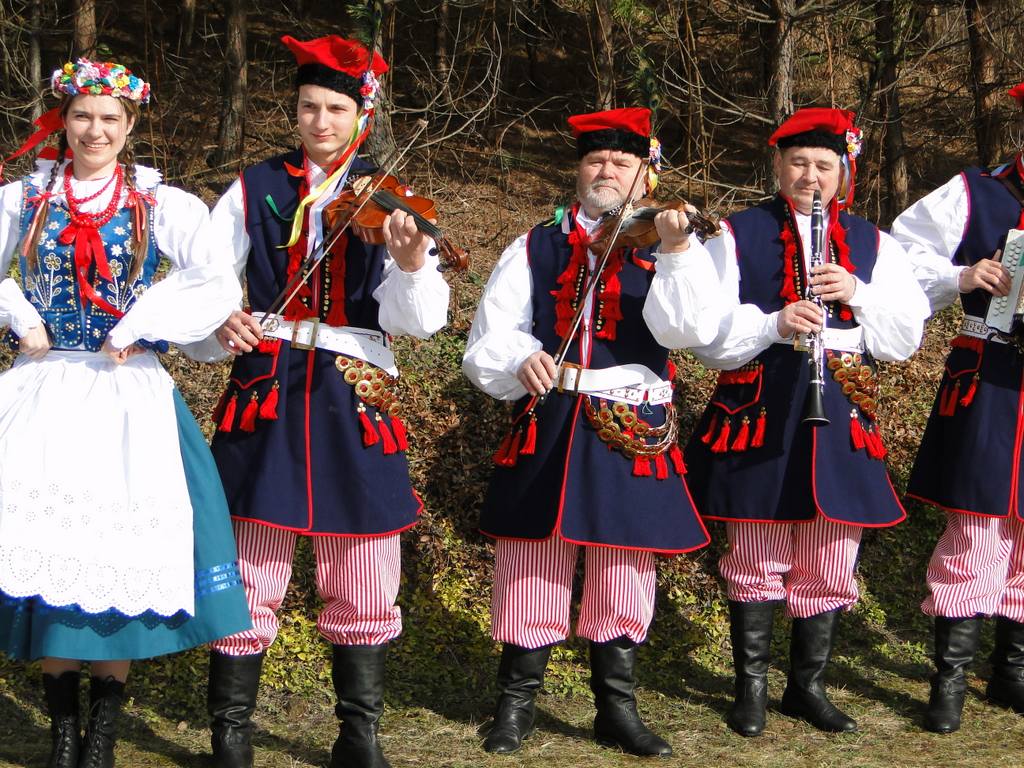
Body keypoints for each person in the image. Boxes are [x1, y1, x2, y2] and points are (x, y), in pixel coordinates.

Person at [201, 35, 450, 768]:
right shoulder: (254, 186)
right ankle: (231, 736)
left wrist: (411, 264)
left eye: (335, 109)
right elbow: (207, 281)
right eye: (308, 106)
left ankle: (358, 737)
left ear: (360, 116)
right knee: (250, 563)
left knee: (365, 563)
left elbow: (421, 322)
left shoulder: (391, 197)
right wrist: (221, 318)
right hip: (268, 382)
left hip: (354, 390)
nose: (320, 121)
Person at [0, 58, 251, 768]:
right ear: (62, 121)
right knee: (52, 547)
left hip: (125, 393)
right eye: (82, 116)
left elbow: (214, 280)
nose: (95, 131)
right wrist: (20, 314)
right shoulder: (25, 197)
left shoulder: (160, 202)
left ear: (130, 124)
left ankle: (103, 739)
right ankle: (63, 736)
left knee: (118, 554)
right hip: (45, 386)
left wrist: (142, 323)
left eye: (110, 118)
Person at [463, 107, 721, 758]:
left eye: (621, 161)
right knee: (531, 560)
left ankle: (616, 710)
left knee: (624, 566)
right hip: (552, 413)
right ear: (579, 170)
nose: (606, 170)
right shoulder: (535, 244)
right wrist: (519, 356)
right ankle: (515, 705)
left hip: (632, 420)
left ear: (645, 174)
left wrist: (677, 250)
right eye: (595, 159)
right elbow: (490, 335)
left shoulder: (671, 242)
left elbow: (691, 332)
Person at [684, 108, 929, 737]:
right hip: (761, 408)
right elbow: (707, 336)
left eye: (824, 165)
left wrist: (858, 292)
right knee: (755, 551)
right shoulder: (736, 233)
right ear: (777, 165)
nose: (810, 177)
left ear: (842, 172)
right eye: (798, 163)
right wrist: (773, 323)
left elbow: (904, 338)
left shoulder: (874, 243)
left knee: (830, 554)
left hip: (840, 410)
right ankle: (751, 690)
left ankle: (806, 688)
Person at [890, 82, 1024, 734]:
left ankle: (1013, 670)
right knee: (976, 525)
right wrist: (962, 276)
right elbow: (899, 253)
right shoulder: (976, 191)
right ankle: (949, 680)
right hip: (989, 375)